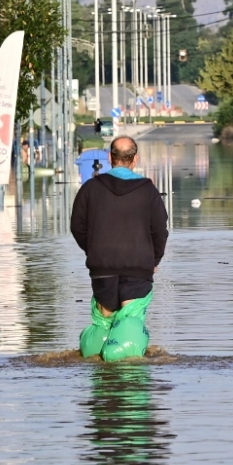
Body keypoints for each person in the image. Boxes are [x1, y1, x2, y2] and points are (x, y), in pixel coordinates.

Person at [71, 136, 169, 361]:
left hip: (102, 268)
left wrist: (94, 250)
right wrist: (154, 260)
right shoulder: (148, 190)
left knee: (105, 321)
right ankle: (127, 377)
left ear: (109, 158)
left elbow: (77, 226)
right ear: (135, 159)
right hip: (138, 267)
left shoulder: (90, 188)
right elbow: (160, 230)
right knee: (130, 321)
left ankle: (102, 372)